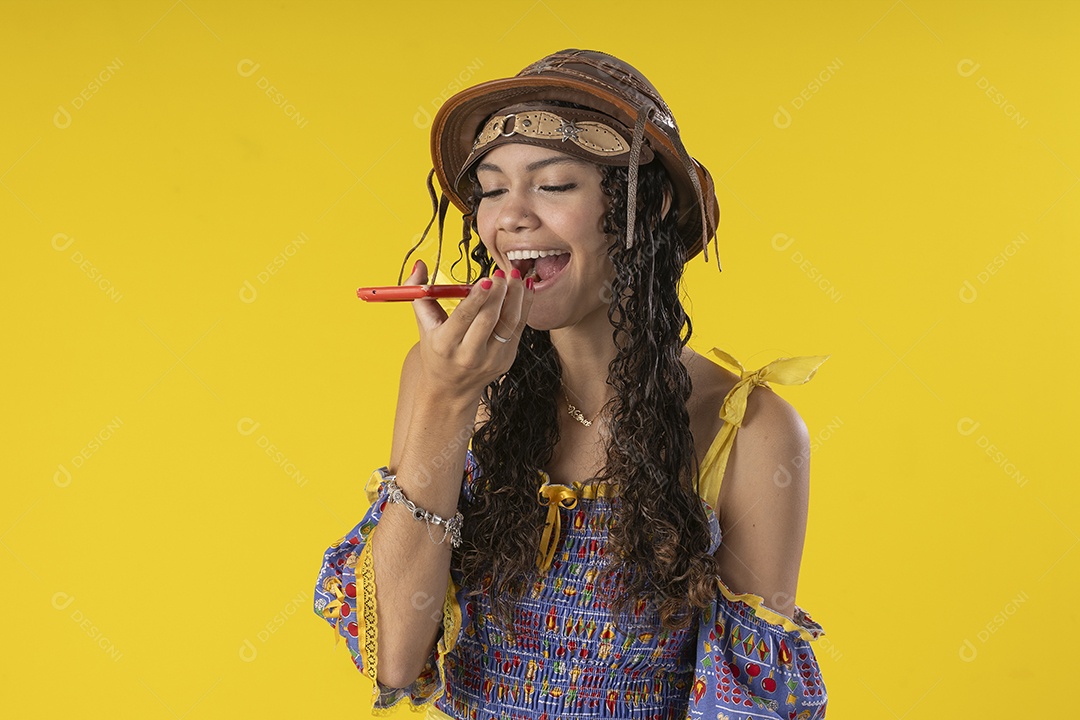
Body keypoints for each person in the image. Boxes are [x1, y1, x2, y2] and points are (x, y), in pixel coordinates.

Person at [314, 49, 830, 719]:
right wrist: (446, 402)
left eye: (553, 185)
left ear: (650, 204)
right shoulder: (444, 377)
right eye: (492, 189)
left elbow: (743, 710)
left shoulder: (751, 431)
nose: (511, 217)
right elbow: (395, 661)